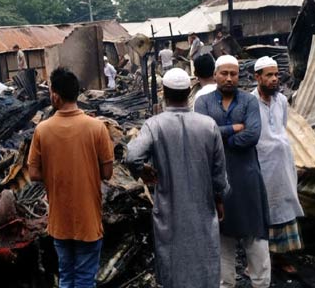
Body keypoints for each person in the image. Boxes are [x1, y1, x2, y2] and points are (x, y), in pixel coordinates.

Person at [125, 68, 229, 288]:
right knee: (204, 258)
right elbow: (219, 174)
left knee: (173, 263)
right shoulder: (208, 125)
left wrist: (142, 171)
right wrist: (219, 199)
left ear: (164, 93)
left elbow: (132, 156)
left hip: (169, 209)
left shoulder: (154, 125)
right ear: (189, 93)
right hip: (203, 206)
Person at [28, 67, 114, 288]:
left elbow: (34, 173)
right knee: (85, 279)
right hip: (88, 219)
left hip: (60, 221)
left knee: (66, 276)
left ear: (55, 95)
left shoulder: (42, 130)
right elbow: (107, 173)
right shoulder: (97, 127)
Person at [195, 55, 270, 288]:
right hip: (216, 182)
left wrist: (220, 138)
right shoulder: (203, 102)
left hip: (247, 179)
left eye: (233, 74)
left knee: (255, 238)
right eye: (224, 73)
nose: (229, 78)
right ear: (215, 75)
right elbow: (202, 136)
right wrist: (233, 129)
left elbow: (253, 135)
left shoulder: (249, 101)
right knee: (221, 240)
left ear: (239, 75)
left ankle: (261, 283)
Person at [252, 57, 305, 267]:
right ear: (258, 77)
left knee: (285, 207)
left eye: (276, 75)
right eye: (269, 75)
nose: (275, 79)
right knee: (265, 209)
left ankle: (282, 256)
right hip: (262, 165)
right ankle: (261, 260)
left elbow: (281, 128)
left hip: (283, 165)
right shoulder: (249, 102)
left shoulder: (281, 101)